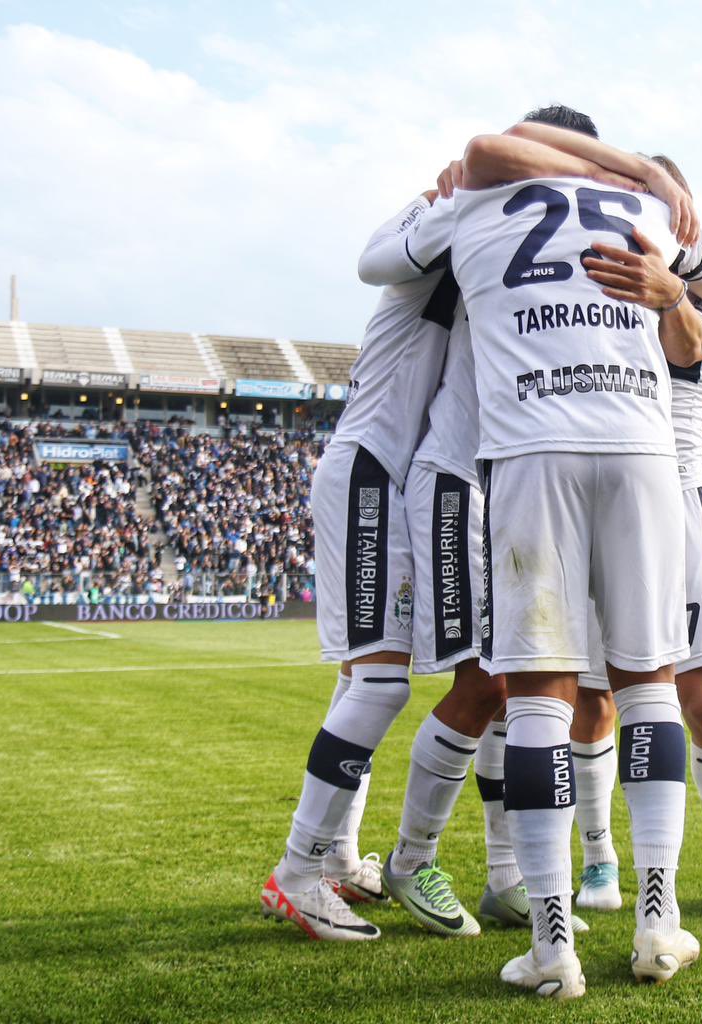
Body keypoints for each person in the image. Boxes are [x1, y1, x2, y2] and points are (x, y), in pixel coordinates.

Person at [360, 104, 702, 998]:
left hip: (533, 452)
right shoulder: (643, 212)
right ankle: (658, 922)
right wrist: (652, 178)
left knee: (538, 698)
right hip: (640, 452)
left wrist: (620, 160)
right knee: (649, 685)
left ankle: (555, 943)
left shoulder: (480, 191)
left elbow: (481, 150)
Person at [567, 156, 702, 924]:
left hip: (681, 500)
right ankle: (598, 859)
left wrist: (671, 292)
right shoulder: (592, 276)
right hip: (603, 498)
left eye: (652, 198)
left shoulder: (697, 284)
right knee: (594, 700)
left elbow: (692, 349)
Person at [258, 188, 458, 942]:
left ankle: (336, 856)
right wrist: (457, 183)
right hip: (371, 469)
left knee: (359, 678)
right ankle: (298, 871)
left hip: (390, 475)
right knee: (380, 684)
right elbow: (376, 256)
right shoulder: (448, 228)